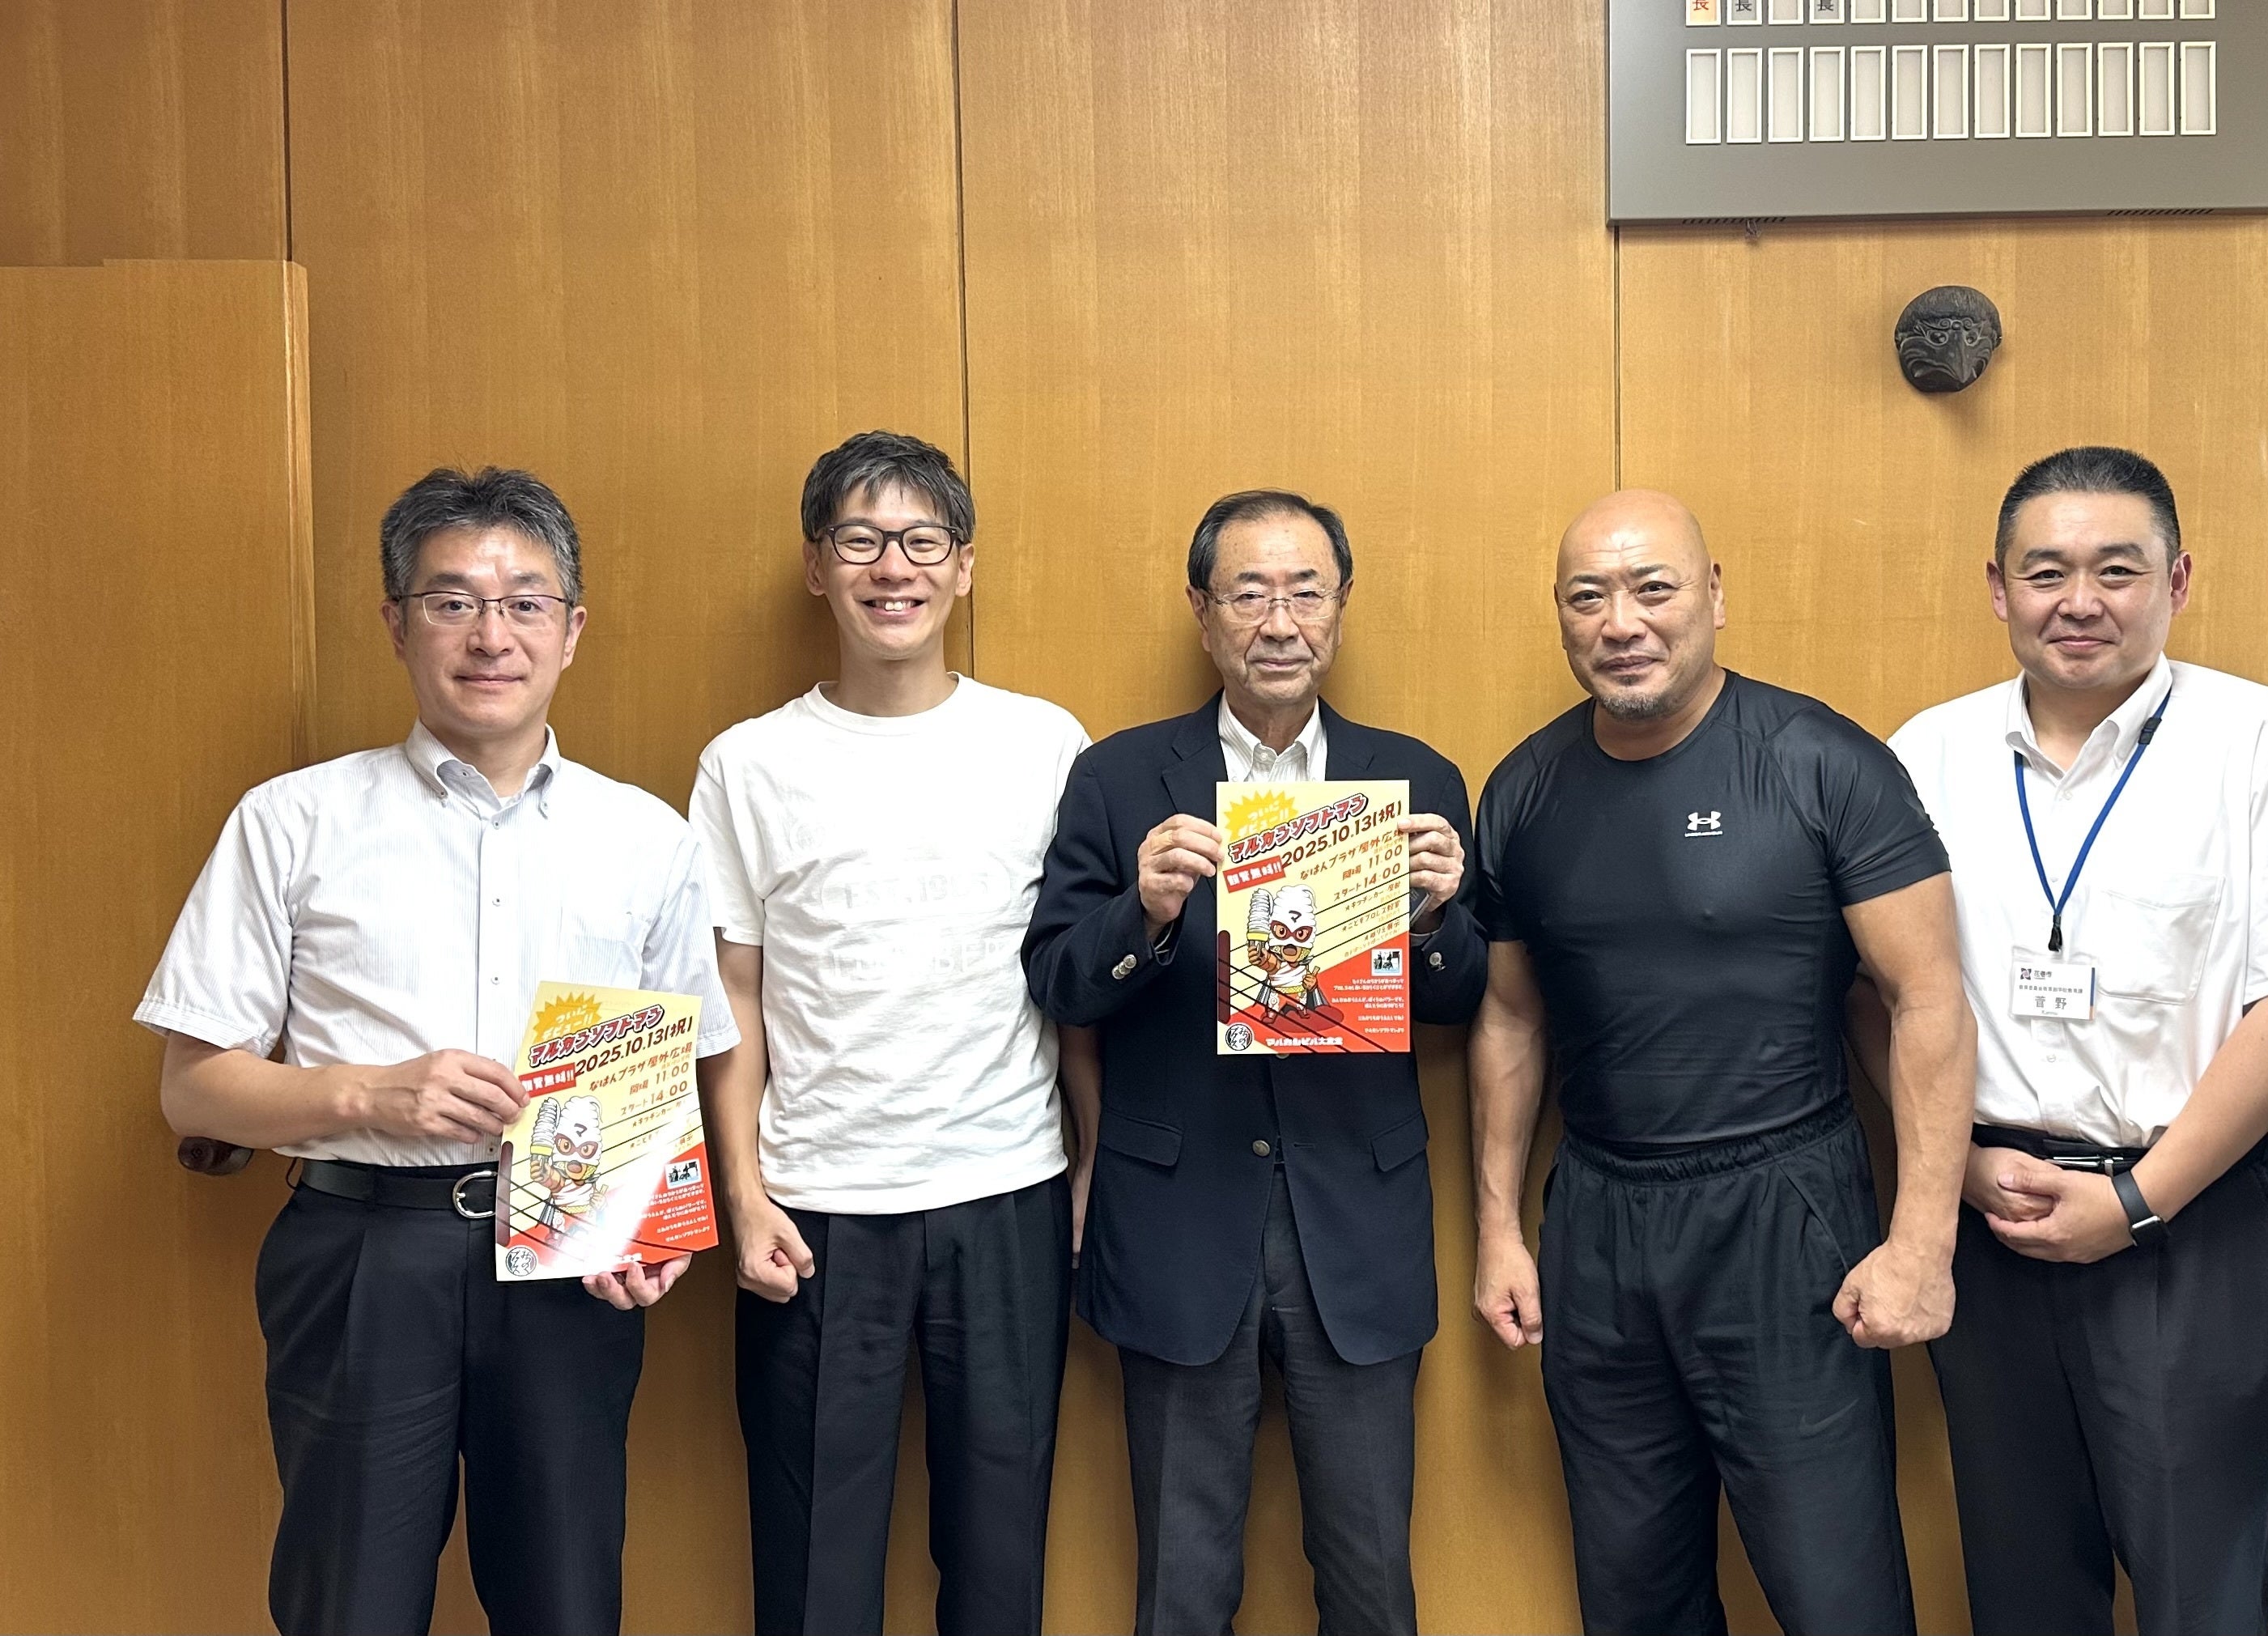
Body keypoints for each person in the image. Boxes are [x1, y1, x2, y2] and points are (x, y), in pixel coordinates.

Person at [138, 467, 737, 1636]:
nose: (490, 635)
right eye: (453, 601)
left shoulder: (645, 836)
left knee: (567, 1605)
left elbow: (668, 1082)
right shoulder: (293, 820)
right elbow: (192, 1089)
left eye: (524, 603)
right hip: (363, 1250)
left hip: (569, 1263)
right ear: (396, 623)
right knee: (350, 1604)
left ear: (572, 629)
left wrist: (650, 1228)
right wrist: (371, 1094)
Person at [1468, 489, 1975, 1636]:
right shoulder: (1525, 787)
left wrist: (1921, 1244)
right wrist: (1499, 1228)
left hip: (1783, 1211)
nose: (1621, 622)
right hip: (1598, 1220)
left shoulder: (1822, 762)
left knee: (1836, 1594)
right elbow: (1509, 1021)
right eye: (1588, 596)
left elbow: (1926, 998)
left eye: (1652, 588)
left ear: (1713, 595)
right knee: (1632, 1597)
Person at [1877, 446, 2268, 1636]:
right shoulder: (1925, 753)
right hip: (1991, 1215)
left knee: (2203, 1595)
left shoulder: (2261, 740)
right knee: (2022, 1589)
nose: (2078, 601)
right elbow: (1878, 993)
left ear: (2176, 581)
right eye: (2045, 572)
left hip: (2191, 1223)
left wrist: (2136, 1200)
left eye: (2117, 570)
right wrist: (1953, 1167)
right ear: (1997, 587)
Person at [1023, 489, 1486, 1636]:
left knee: (1373, 1582)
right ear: (1203, 611)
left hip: (1356, 1223)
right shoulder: (1121, 777)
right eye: (1248, 593)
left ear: (1340, 605)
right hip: (1177, 1220)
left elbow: (1463, 999)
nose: (1280, 621)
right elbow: (1058, 981)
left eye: (1305, 591)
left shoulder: (1412, 777)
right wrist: (1142, 911)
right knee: (1182, 1588)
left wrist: (1434, 919)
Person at [689, 431, 1096, 1636]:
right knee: (813, 1566)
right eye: (860, 539)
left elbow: (1069, 978)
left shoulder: (1044, 743)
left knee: (999, 1559)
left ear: (963, 566)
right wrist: (741, 1194)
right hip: (816, 1205)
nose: (892, 567)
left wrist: (1089, 1162)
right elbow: (734, 995)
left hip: (1006, 1188)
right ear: (817, 565)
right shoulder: (747, 765)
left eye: (922, 540)